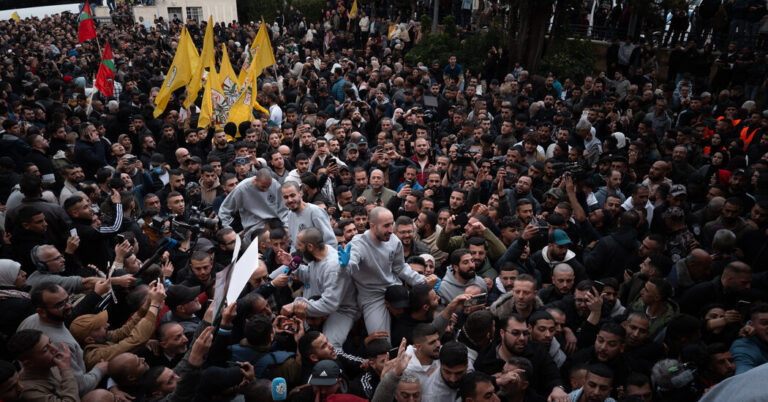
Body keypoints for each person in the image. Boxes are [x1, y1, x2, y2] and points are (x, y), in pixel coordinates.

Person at [341, 207, 437, 337]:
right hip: (372, 296)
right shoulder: (358, 243)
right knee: (381, 338)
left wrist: (422, 281)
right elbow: (352, 263)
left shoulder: (394, 240)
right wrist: (346, 265)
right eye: (386, 226)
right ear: (372, 226)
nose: (391, 230)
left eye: (392, 224)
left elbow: (400, 268)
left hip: (395, 290)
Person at [276, 227, 358, 349]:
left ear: (310, 246)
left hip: (341, 310)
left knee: (328, 346)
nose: (297, 248)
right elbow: (312, 277)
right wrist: (293, 265)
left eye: (300, 245)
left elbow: (329, 304)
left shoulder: (332, 267)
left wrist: (295, 306)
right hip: (319, 305)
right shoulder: (318, 255)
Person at [7, 329, 80, 401]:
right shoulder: (29, 391)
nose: (55, 349)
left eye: (50, 342)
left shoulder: (49, 365)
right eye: (45, 350)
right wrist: (66, 370)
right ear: (29, 363)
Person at [219, 168, 289, 232]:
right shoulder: (242, 188)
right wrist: (229, 229)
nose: (266, 190)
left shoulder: (275, 184)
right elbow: (224, 210)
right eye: (263, 187)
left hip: (274, 222)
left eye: (268, 187)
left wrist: (286, 225)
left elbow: (283, 207)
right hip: (253, 226)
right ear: (255, 180)